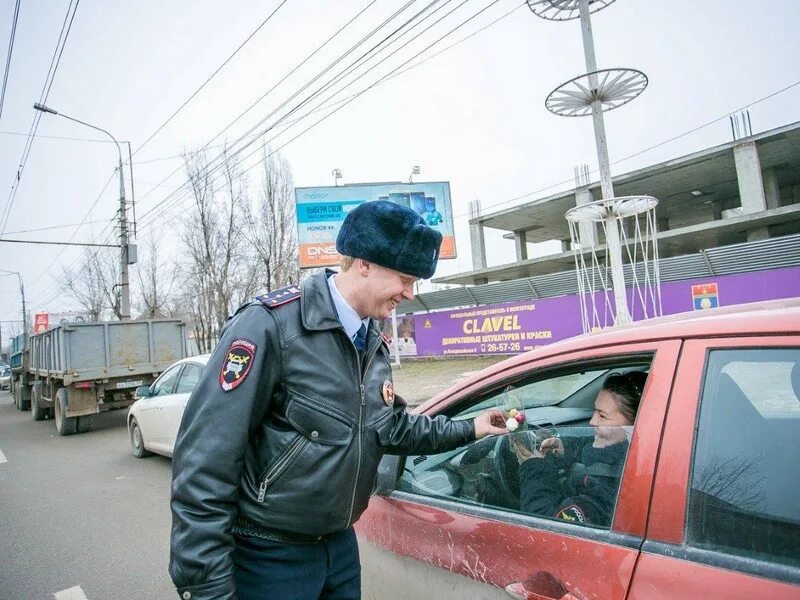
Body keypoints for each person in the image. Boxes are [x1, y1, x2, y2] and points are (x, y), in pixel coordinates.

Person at [169, 200, 507, 600]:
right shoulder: (271, 325)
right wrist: (206, 586)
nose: (410, 294)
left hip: (339, 550)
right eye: (404, 278)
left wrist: (470, 427)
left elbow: (389, 426)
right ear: (363, 263)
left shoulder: (371, 342)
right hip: (268, 556)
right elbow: (205, 461)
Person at [513, 371, 647, 526]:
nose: (591, 421)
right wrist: (566, 448)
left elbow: (543, 526)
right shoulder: (630, 460)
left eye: (602, 416)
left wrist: (533, 468)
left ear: (634, 427)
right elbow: (600, 453)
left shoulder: (608, 489)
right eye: (594, 411)